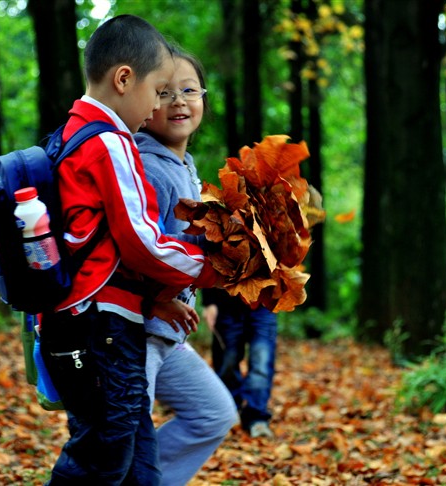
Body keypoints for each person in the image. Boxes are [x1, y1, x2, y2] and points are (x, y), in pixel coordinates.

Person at [38, 15, 221, 485]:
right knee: (104, 453)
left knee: (133, 457)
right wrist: (211, 268)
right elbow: (140, 241)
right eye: (158, 91)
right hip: (102, 323)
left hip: (95, 320)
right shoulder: (110, 142)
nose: (160, 104)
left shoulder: (73, 133)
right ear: (124, 80)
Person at [134, 46, 238, 486]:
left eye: (189, 90)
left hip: (165, 335)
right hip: (134, 331)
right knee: (115, 443)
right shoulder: (148, 169)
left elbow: (188, 244)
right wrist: (157, 300)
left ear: (203, 99)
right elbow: (134, 247)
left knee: (213, 413)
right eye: (164, 91)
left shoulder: (183, 166)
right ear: (141, 104)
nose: (178, 101)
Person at [202, 289, 278, 439]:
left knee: (262, 360)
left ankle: (256, 416)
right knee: (226, 361)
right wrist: (209, 302)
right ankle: (229, 413)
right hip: (226, 299)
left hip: (264, 301)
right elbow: (211, 265)